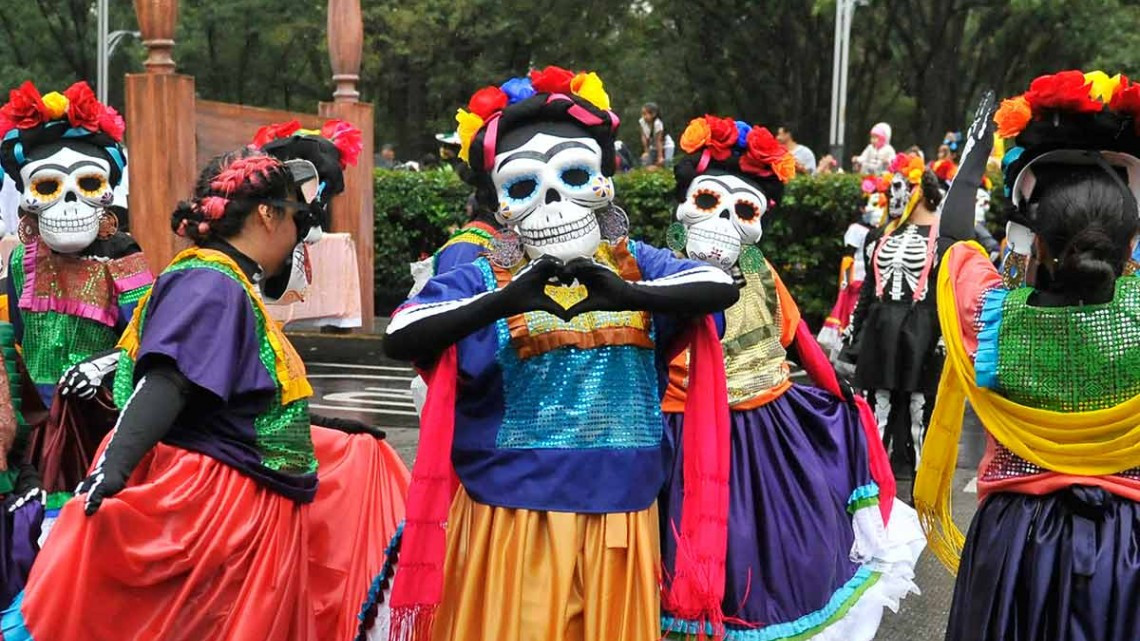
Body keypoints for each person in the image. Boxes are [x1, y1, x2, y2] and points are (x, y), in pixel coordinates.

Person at [366, 66, 739, 641]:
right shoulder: (485, 273)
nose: (555, 201)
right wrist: (506, 297)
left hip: (623, 517)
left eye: (573, 174)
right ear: (500, 203)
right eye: (524, 185)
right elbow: (404, 331)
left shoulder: (639, 262)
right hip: (513, 520)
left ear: (604, 179)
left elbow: (718, 288)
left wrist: (625, 292)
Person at [2, 148, 327, 640]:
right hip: (217, 509)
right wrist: (110, 473)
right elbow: (168, 379)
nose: (300, 235)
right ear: (268, 213)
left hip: (238, 502)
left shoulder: (222, 278)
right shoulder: (208, 282)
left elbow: (239, 392)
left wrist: (331, 430)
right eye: (298, 218)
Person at [660, 115, 922, 641]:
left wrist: (836, 391)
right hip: (679, 427)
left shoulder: (760, 272)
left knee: (767, 543)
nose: (724, 221)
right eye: (709, 201)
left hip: (765, 424)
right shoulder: (658, 270)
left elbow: (799, 335)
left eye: (744, 209)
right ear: (686, 204)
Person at [918, 71, 1140, 641]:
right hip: (1128, 544)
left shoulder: (990, 313)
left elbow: (953, 242)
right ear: (1131, 240)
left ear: (1033, 239)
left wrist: (973, 158)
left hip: (1014, 540)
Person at [0, 81, 152, 407]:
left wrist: (99, 367)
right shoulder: (21, 261)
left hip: (98, 412)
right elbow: (16, 338)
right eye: (46, 186)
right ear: (28, 199)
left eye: (89, 182)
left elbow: (145, 336)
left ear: (106, 193)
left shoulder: (123, 257)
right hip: (40, 420)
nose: (70, 204)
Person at [839, 152, 947, 488]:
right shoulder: (879, 237)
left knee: (919, 405)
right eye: (892, 189)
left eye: (903, 188)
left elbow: (946, 292)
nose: (895, 196)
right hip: (882, 324)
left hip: (922, 327)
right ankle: (872, 476)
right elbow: (869, 289)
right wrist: (853, 329)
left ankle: (920, 481)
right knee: (877, 403)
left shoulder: (944, 239)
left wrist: (944, 337)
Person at [639, 101, 675, 168]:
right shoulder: (642, 122)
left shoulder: (658, 124)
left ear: (653, 114)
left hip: (666, 145)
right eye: (642, 114)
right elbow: (643, 137)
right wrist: (646, 151)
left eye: (645, 114)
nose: (644, 116)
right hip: (653, 147)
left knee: (667, 163)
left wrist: (660, 157)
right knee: (646, 162)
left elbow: (659, 141)